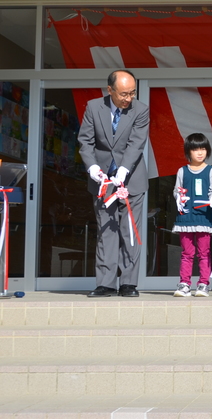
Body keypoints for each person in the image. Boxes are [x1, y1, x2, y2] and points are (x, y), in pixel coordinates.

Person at [78, 69, 150, 297]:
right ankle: (106, 284)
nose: (129, 99)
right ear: (109, 90)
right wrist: (92, 168)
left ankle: (128, 283)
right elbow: (85, 141)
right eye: (123, 94)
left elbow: (136, 144)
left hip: (131, 180)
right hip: (102, 182)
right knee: (106, 231)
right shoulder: (93, 107)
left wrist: (123, 171)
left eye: (132, 93)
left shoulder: (141, 110)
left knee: (129, 231)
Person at [172, 133, 212, 298]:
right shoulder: (182, 171)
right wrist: (178, 197)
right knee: (187, 252)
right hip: (185, 218)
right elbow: (177, 190)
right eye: (195, 149)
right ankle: (184, 284)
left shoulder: (211, 171)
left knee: (204, 252)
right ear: (188, 152)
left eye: (203, 149)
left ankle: (203, 284)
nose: (200, 152)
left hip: (204, 218)